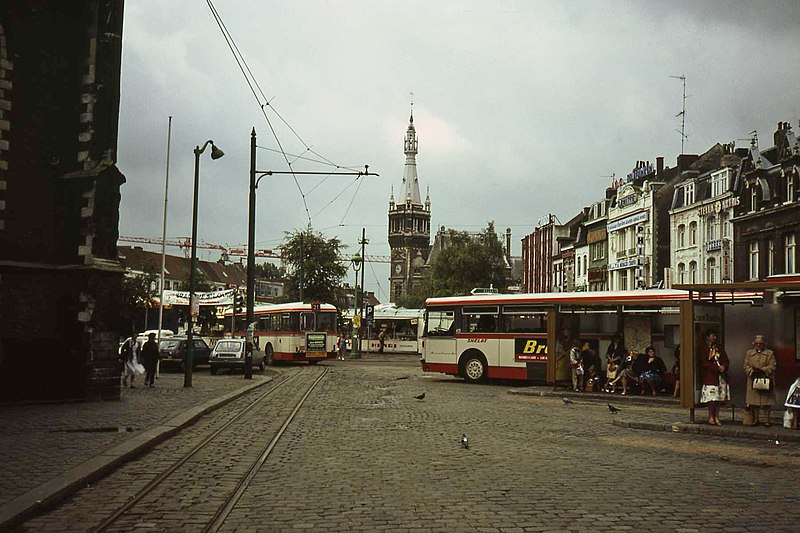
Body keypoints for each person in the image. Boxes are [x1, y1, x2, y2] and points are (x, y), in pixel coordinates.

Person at [743, 334, 777, 426]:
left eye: (760, 343)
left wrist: (763, 370)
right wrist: (751, 371)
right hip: (753, 379)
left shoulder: (770, 353)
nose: (758, 345)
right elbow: (745, 365)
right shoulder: (749, 353)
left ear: (764, 344)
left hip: (765, 379)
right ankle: (755, 419)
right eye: (757, 343)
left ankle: (767, 420)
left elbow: (773, 365)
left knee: (767, 402)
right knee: (754, 402)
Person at [699, 328, 729, 426]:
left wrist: (724, 366)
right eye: (713, 336)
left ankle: (717, 416)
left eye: (715, 336)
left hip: (720, 376)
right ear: (708, 337)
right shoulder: (704, 348)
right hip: (710, 376)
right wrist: (716, 368)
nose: (714, 338)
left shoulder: (719, 347)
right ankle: (710, 416)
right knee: (712, 398)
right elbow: (704, 362)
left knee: (718, 398)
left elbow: (725, 359)